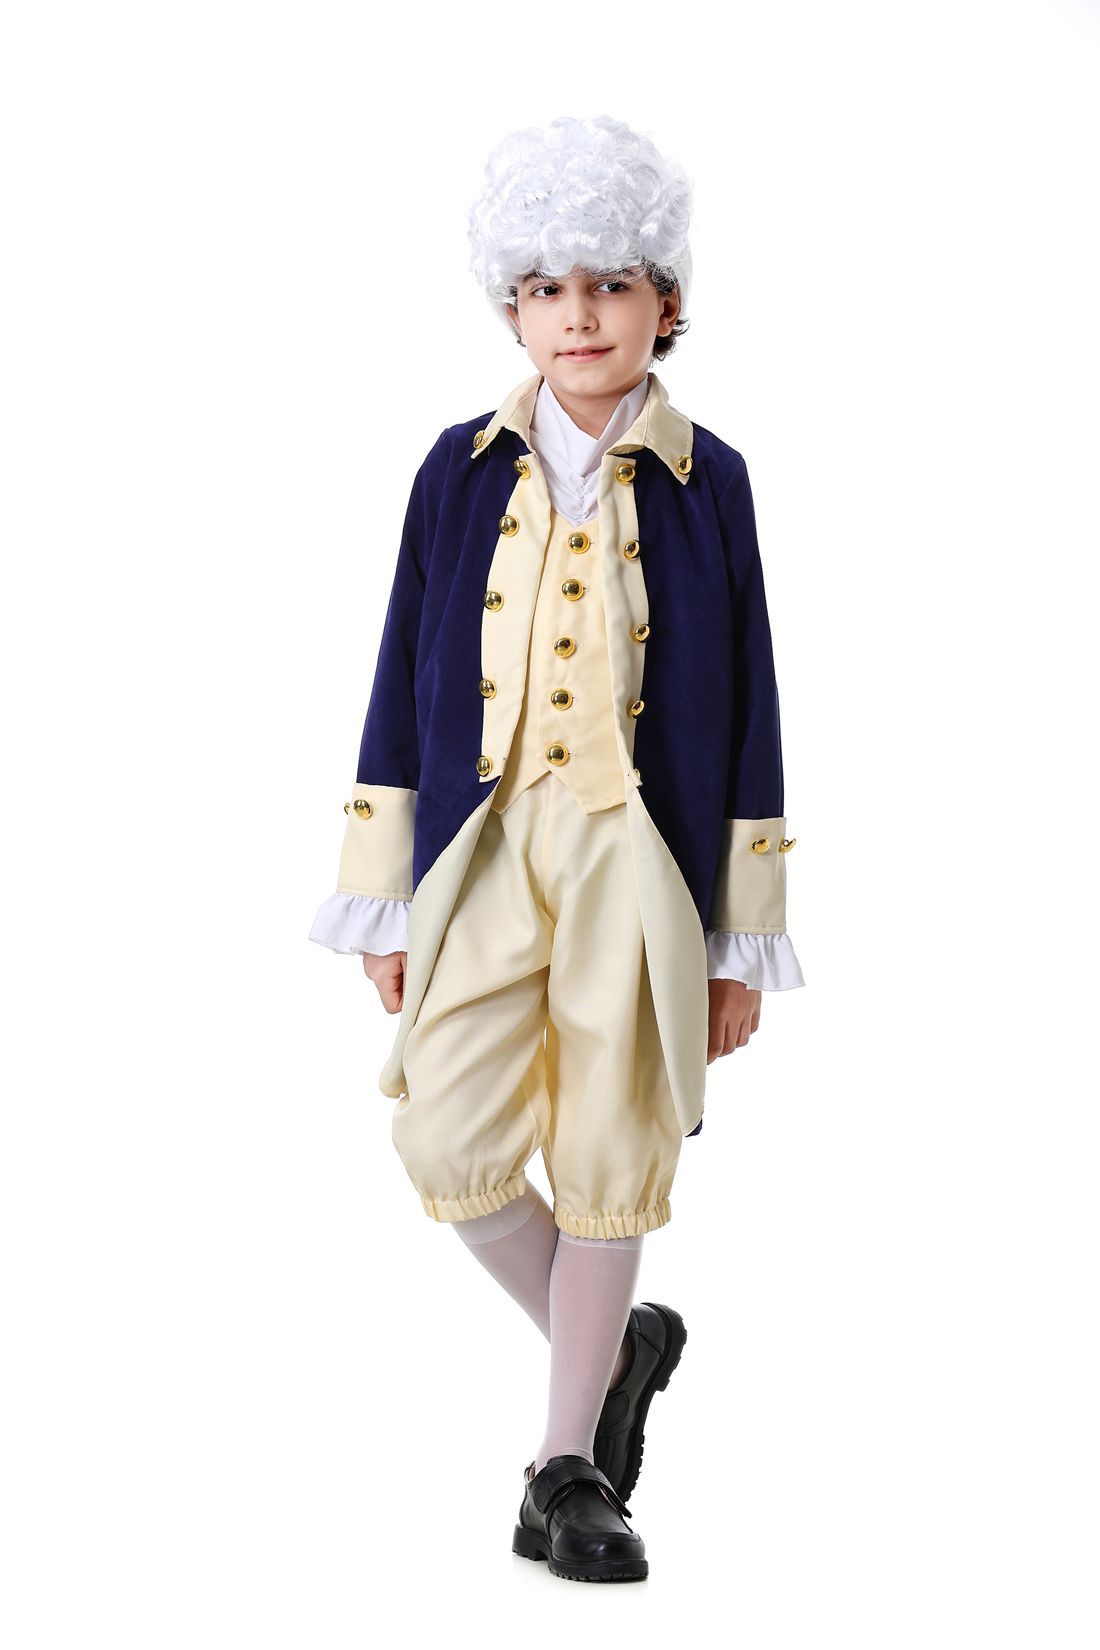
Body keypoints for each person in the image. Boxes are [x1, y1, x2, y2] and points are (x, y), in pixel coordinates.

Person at [309, 113, 805, 1582]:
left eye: (610, 284)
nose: (578, 315)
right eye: (546, 288)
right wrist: (382, 900)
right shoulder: (456, 468)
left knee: (607, 1148)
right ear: (512, 307)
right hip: (483, 846)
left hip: (639, 860)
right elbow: (401, 666)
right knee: (445, 1138)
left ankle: (564, 1467)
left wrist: (740, 936)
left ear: (666, 301)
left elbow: (753, 702)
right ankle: (617, 1346)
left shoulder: (713, 478)